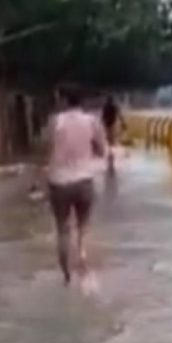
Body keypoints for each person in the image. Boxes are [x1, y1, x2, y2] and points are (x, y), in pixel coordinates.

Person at [44, 85, 108, 285]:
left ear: (64, 100)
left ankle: (65, 274)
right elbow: (102, 150)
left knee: (62, 228)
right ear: (83, 101)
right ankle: (81, 256)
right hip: (84, 180)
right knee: (83, 227)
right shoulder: (92, 121)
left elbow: (46, 149)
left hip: (59, 181)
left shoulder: (55, 121)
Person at [101, 95, 125, 175]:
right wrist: (123, 123)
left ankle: (110, 155)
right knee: (111, 140)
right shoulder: (114, 107)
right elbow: (120, 115)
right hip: (112, 124)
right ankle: (111, 155)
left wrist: (102, 124)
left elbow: (102, 117)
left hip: (107, 125)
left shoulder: (105, 107)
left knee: (108, 140)